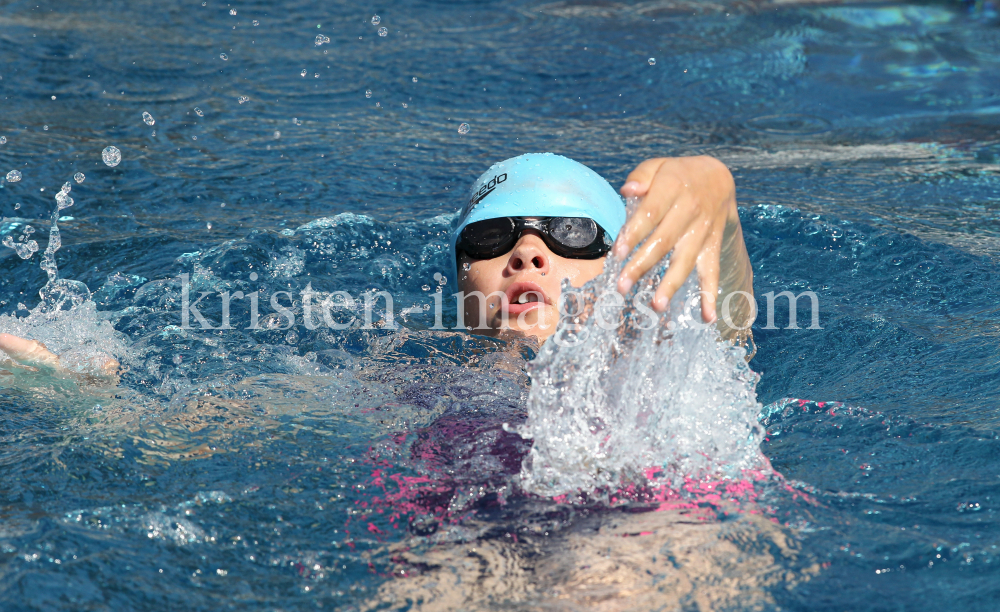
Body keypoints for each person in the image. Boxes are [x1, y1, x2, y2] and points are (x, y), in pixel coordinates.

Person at [0, 153, 755, 373]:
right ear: (460, 285)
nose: (528, 250)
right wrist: (87, 400)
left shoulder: (658, 358)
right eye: (490, 242)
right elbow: (230, 432)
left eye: (568, 234)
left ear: (629, 256)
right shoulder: (401, 373)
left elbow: (726, 317)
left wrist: (713, 189)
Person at [453, 152, 755, 347]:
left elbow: (726, 333)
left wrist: (717, 198)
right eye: (490, 235)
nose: (526, 251)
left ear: (619, 271)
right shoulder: (411, 373)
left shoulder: (653, 384)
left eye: (572, 231)